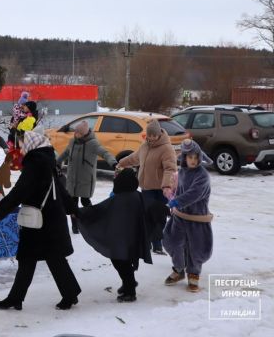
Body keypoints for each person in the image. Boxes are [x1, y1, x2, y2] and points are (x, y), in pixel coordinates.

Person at [0, 131, 81, 311]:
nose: (22, 148)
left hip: (41, 221)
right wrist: (72, 209)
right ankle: (16, 298)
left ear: (33, 144)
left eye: (24, 144)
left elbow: (20, 190)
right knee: (29, 258)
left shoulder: (35, 163)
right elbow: (58, 188)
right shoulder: (46, 160)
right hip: (46, 219)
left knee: (51, 259)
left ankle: (69, 295)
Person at [76, 168, 152, 302]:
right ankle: (129, 284)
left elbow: (99, 210)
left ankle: (130, 292)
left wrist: (79, 213)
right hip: (132, 237)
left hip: (120, 239)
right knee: (124, 263)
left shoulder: (120, 198)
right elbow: (151, 207)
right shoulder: (136, 195)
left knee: (121, 263)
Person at [117, 119, 178, 254]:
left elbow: (170, 168)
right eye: (149, 135)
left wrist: (167, 185)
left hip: (160, 189)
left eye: (153, 136)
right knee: (147, 215)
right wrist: (122, 162)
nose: (151, 138)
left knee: (159, 216)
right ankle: (148, 242)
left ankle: (157, 244)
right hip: (146, 187)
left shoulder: (166, 148)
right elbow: (135, 158)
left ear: (158, 135)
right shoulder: (145, 146)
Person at [162, 139, 213, 293]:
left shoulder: (203, 176)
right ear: (184, 157)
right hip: (179, 215)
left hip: (197, 218)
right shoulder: (182, 172)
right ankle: (178, 270)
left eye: (195, 157)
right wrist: (172, 198)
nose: (193, 160)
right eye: (190, 157)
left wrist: (176, 201)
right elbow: (179, 189)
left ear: (200, 157)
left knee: (195, 248)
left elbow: (194, 194)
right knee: (172, 241)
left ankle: (193, 274)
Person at [57, 120, 117, 233]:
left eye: (78, 133)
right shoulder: (72, 142)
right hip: (72, 177)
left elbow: (104, 153)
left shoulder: (93, 143)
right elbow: (65, 153)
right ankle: (75, 226)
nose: (76, 134)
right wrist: (57, 162)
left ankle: (90, 221)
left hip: (85, 178)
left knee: (85, 201)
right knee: (72, 203)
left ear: (84, 133)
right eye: (75, 132)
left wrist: (113, 163)